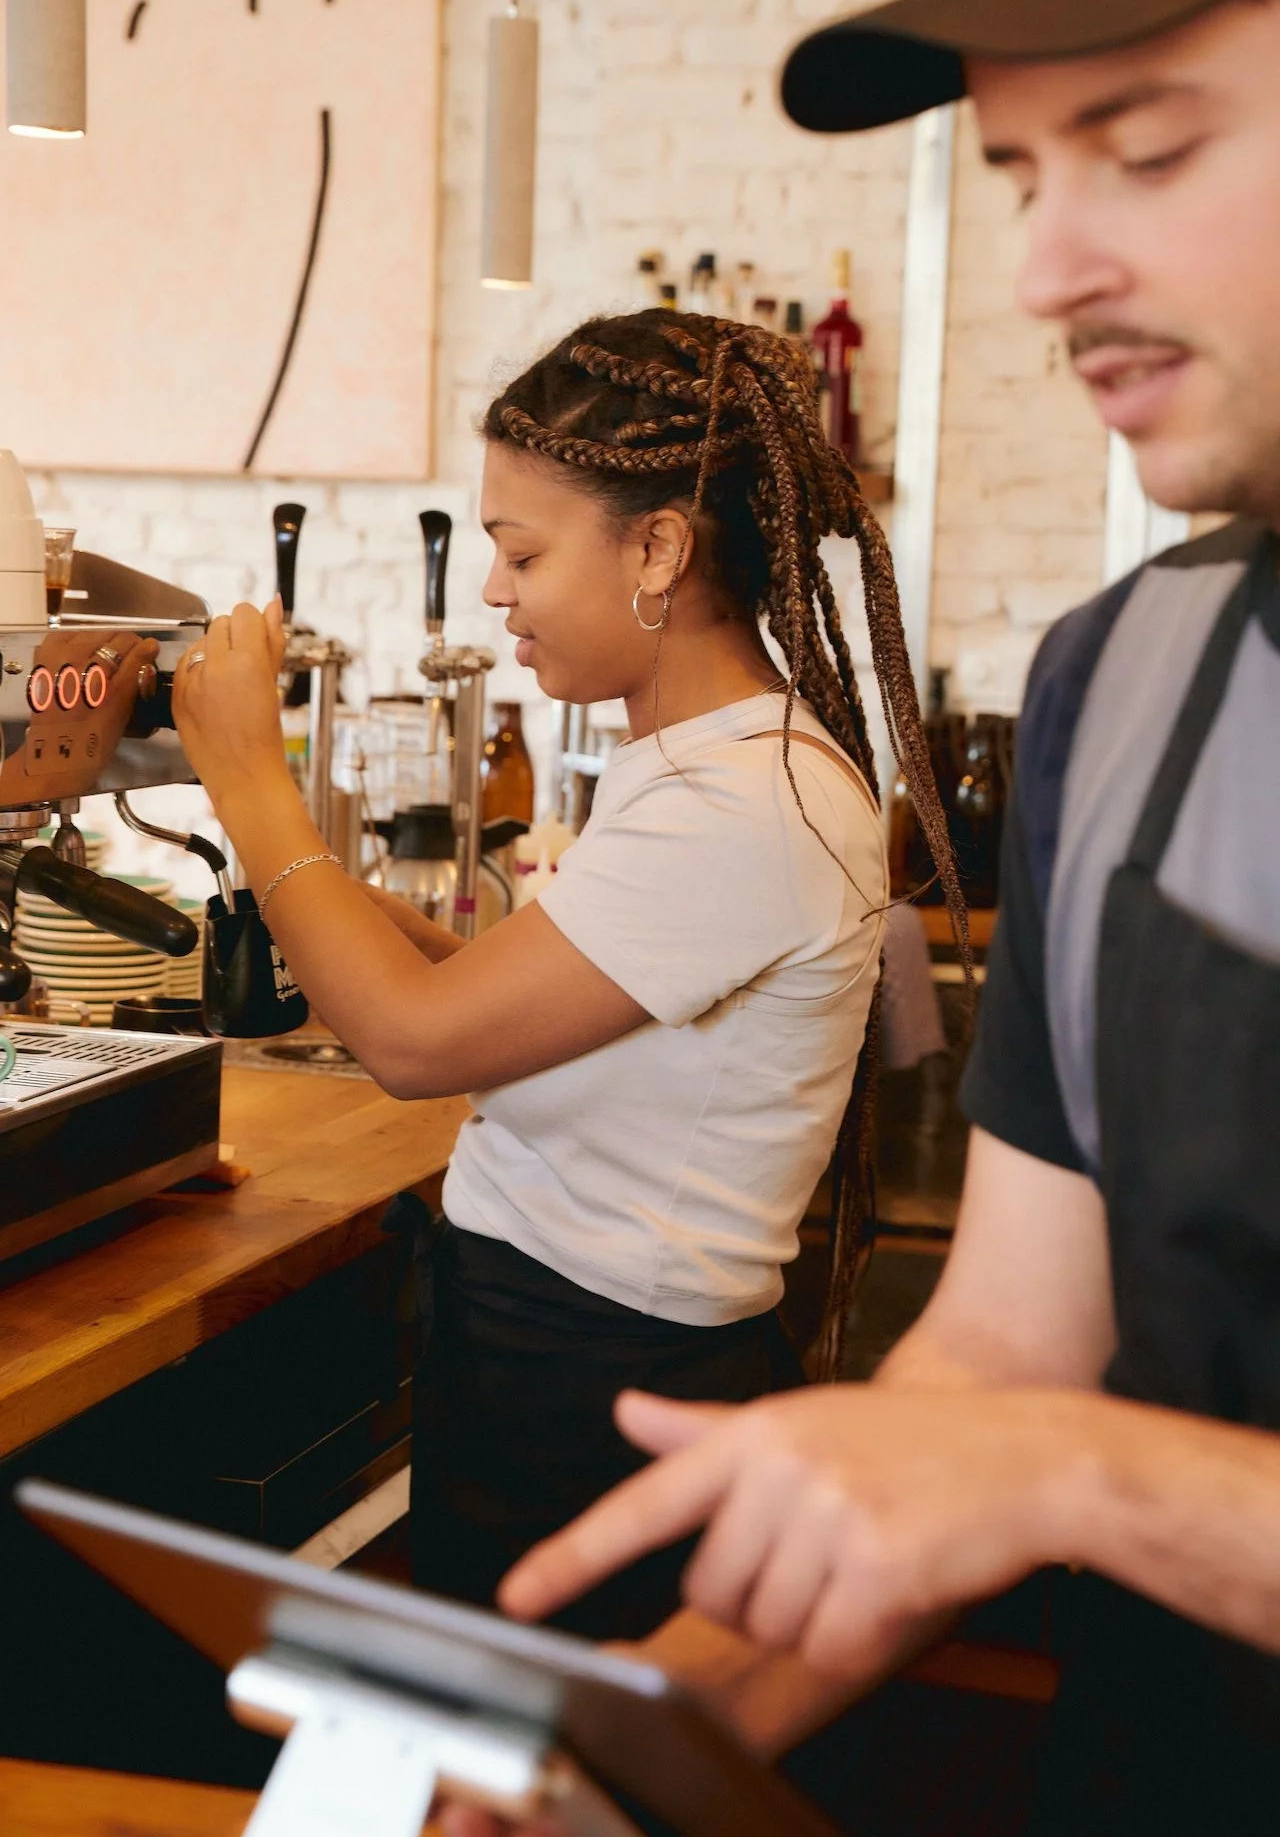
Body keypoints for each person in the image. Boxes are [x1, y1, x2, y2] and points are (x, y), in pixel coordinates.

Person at [449, 0, 1280, 1831]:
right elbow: (1005, 1350)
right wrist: (604, 1747)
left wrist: (1079, 1477)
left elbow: (1038, 1449)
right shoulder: (1126, 683)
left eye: (1148, 152)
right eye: (1018, 174)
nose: (1047, 272)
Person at [172, 309, 963, 1640]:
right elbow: (531, 1001)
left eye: (520, 550)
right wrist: (334, 907)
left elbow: (418, 1047)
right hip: (558, 1350)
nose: (496, 591)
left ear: (658, 547)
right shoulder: (709, 765)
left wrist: (250, 775)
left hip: (601, 1382)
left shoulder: (741, 802)